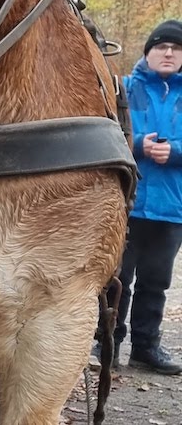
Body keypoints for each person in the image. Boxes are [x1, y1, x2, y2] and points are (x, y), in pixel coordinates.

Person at [108, 19, 182, 374]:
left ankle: (145, 347)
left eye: (176, 48)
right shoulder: (122, 88)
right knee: (116, 278)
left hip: (172, 209)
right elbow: (104, 128)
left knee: (156, 282)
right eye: (161, 46)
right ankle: (106, 346)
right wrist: (137, 145)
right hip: (126, 202)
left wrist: (177, 152)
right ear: (148, 52)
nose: (168, 52)